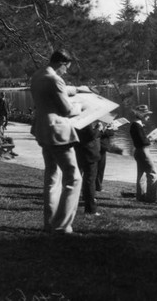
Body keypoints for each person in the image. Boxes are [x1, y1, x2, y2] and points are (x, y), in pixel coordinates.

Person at [30, 49, 91, 234]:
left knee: (52, 178)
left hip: (43, 131)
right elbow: (67, 110)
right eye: (67, 68)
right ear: (62, 63)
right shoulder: (55, 79)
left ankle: (49, 222)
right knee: (73, 177)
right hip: (58, 133)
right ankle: (62, 225)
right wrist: (82, 105)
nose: (66, 72)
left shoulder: (39, 75)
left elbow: (59, 89)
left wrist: (78, 89)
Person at [130, 105, 157, 203]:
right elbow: (143, 141)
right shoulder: (137, 126)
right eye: (146, 115)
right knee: (152, 174)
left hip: (139, 151)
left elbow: (141, 140)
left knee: (141, 175)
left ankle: (141, 196)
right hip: (143, 151)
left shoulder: (136, 125)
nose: (148, 117)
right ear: (140, 115)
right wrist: (151, 140)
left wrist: (149, 140)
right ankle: (151, 199)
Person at [75, 122, 102, 215]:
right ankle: (90, 209)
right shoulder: (86, 120)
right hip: (89, 153)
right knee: (90, 181)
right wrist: (99, 128)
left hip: (79, 151)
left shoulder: (76, 118)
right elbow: (91, 135)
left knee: (83, 179)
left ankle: (76, 202)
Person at [96, 121, 115, 192]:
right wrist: (111, 129)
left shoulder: (104, 123)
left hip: (103, 147)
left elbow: (110, 133)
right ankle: (98, 186)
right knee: (99, 168)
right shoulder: (98, 123)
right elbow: (103, 133)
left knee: (101, 168)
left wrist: (110, 128)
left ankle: (98, 185)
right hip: (100, 147)